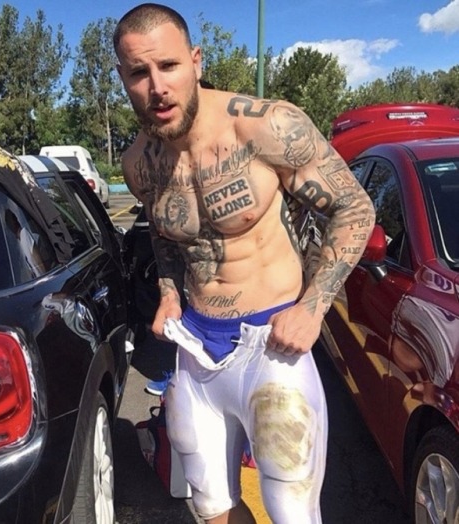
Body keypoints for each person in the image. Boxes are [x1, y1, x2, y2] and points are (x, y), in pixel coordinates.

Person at [114, 4, 375, 523]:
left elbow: (354, 207)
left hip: (271, 348)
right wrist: (169, 293)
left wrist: (313, 307)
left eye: (169, 66)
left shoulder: (265, 126)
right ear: (123, 78)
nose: (157, 87)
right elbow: (165, 236)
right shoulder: (138, 162)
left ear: (196, 60)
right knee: (212, 508)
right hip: (196, 350)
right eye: (139, 73)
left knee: (293, 513)